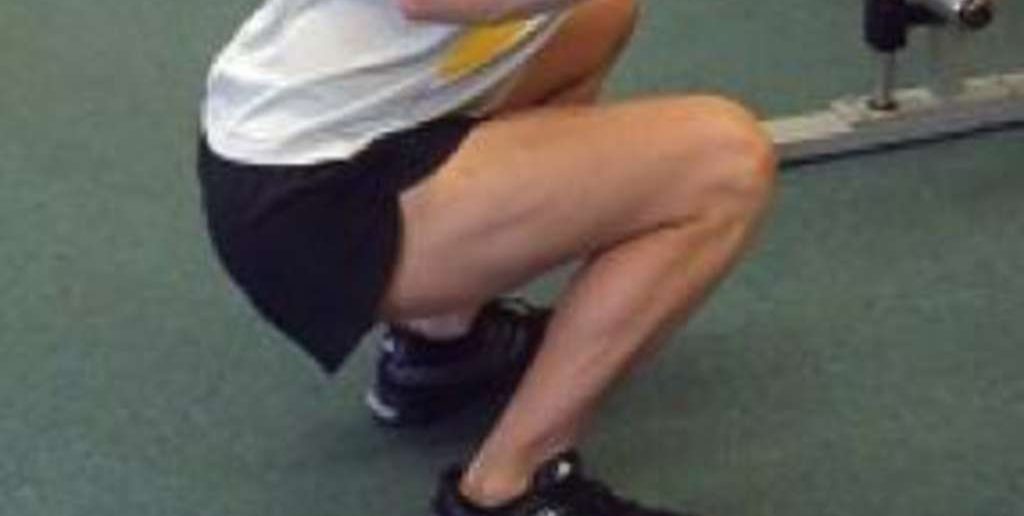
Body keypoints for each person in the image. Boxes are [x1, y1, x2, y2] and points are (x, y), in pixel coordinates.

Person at [196, 0, 778, 514]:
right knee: (725, 165)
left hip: (310, 126)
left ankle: (442, 343)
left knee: (597, 20)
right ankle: (510, 487)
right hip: (309, 199)